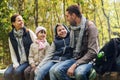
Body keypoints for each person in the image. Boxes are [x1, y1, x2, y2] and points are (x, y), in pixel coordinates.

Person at [50, 5, 99, 80]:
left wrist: (75, 64)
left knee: (79, 73)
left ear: (73, 15)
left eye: (67, 16)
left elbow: (93, 52)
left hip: (89, 60)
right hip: (76, 58)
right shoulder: (72, 28)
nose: (67, 19)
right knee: (57, 71)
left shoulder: (90, 27)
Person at [4, 14, 36, 80]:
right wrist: (16, 64)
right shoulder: (11, 37)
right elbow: (12, 52)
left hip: (28, 61)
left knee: (17, 72)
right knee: (7, 73)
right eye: (19, 20)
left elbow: (37, 43)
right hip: (18, 61)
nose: (21, 22)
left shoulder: (29, 32)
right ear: (13, 23)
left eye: (22, 20)